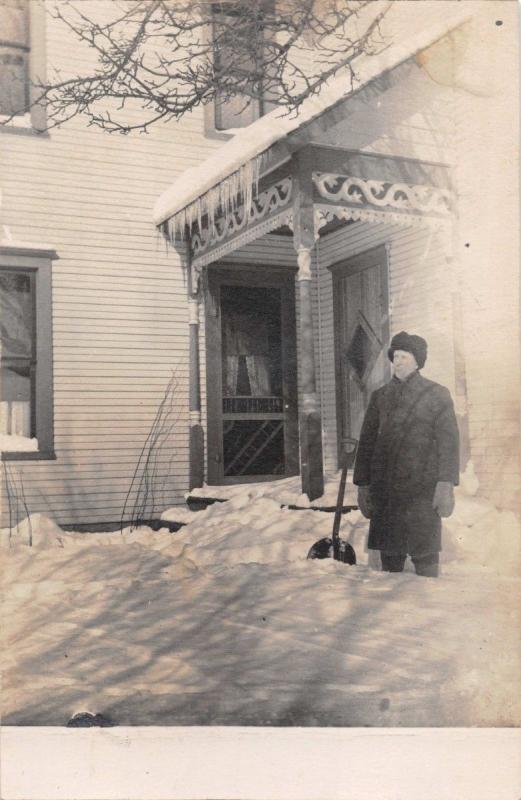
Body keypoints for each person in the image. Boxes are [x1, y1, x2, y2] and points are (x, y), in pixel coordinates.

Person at [353, 331, 459, 577]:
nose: (397, 361)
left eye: (404, 356)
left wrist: (446, 483)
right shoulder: (380, 396)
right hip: (386, 490)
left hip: (422, 489)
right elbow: (367, 442)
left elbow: (449, 442)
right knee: (390, 560)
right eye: (395, 356)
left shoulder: (437, 394)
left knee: (426, 556)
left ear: (418, 361)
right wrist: (363, 484)